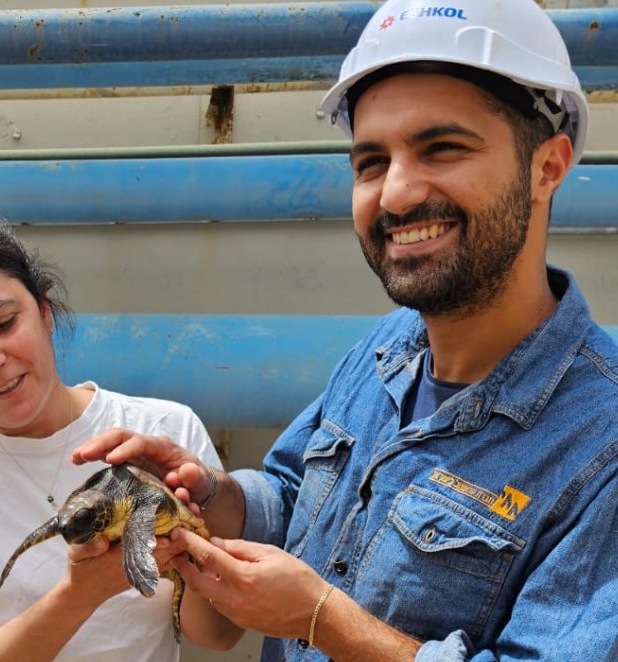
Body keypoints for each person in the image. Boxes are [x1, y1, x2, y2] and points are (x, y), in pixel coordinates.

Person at [71, 0, 618, 660]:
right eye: (371, 162)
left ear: (547, 167)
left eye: (442, 148)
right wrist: (213, 496)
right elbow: (294, 497)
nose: (396, 194)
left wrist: (322, 619)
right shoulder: (386, 349)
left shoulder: (601, 444)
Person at [0, 207, 241, 662]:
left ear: (44, 311)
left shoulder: (164, 431)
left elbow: (219, 635)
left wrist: (188, 542)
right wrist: (80, 593)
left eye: (3, 324)